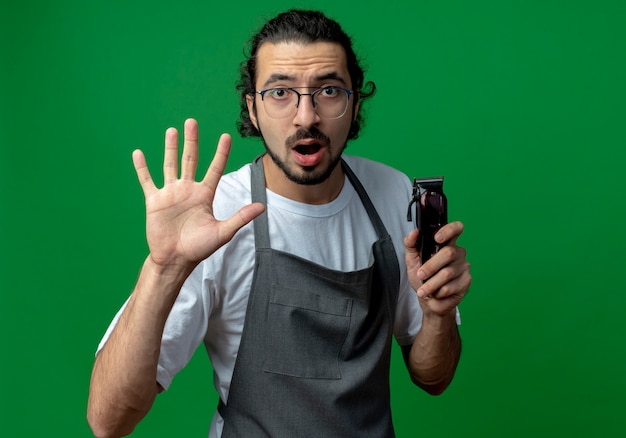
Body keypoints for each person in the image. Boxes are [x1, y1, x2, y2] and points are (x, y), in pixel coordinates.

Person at [87, 8, 471, 438]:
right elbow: (108, 421)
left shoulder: (394, 193)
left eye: (328, 89)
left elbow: (433, 378)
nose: (306, 116)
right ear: (252, 108)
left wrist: (439, 314)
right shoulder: (215, 216)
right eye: (280, 92)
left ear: (355, 101)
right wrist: (163, 270)